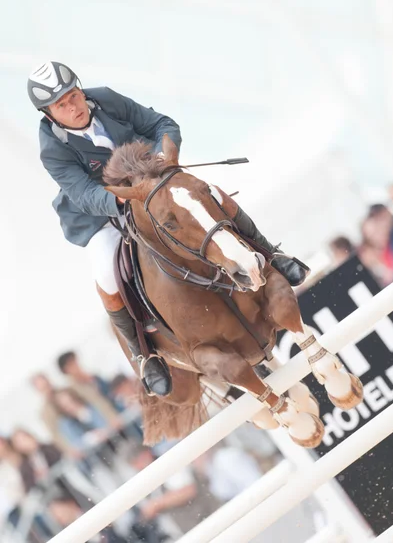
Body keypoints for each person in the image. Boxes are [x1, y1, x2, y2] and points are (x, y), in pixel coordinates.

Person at [28, 61, 306, 397]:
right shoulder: (52, 148)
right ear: (49, 114)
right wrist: (124, 199)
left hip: (156, 186)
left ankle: (271, 254)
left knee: (213, 196)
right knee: (105, 273)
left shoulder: (105, 99)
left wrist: (162, 157)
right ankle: (144, 354)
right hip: (103, 213)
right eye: (62, 104)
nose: (73, 106)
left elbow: (161, 124)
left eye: (73, 95)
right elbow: (83, 193)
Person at [57, 350, 124, 417]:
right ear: (65, 370)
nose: (76, 365)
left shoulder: (92, 376)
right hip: (108, 419)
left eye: (75, 361)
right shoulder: (73, 390)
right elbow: (93, 406)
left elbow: (110, 390)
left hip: (119, 409)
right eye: (71, 364)